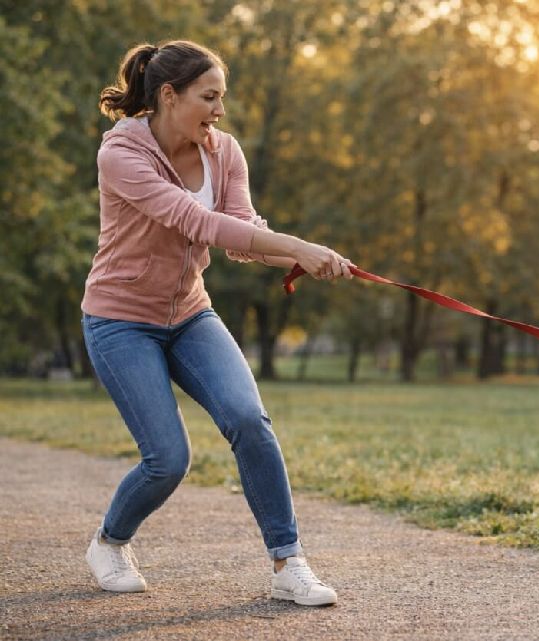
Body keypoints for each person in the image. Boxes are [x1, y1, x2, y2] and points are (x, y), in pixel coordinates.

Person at [81, 40, 350, 607]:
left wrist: (306, 257)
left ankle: (288, 563)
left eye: (222, 97)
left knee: (250, 420)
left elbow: (241, 231)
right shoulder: (120, 154)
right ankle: (109, 542)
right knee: (168, 459)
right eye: (210, 96)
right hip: (120, 321)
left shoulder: (223, 152)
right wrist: (298, 243)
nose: (219, 110)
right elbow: (196, 222)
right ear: (169, 95)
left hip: (190, 315)